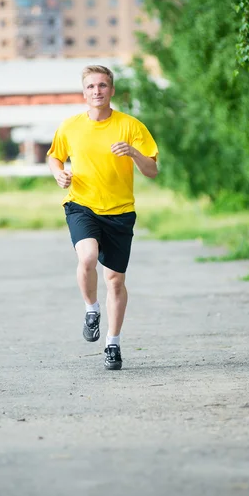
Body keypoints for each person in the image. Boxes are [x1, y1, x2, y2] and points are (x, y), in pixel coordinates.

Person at [47, 64, 158, 370]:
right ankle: (91, 309)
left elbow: (152, 170)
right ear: (84, 92)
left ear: (112, 90)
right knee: (87, 257)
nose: (97, 91)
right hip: (81, 204)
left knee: (116, 282)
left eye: (102, 86)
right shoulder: (70, 126)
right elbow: (54, 156)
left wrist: (134, 154)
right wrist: (59, 173)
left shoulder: (131, 126)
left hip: (120, 212)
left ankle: (113, 343)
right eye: (91, 86)